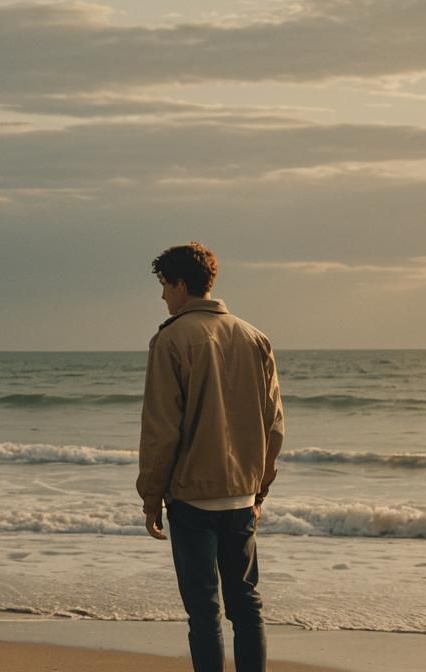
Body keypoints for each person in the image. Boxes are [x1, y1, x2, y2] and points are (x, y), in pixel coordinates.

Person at [137, 241, 285, 672]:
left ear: (181, 284)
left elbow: (162, 430)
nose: (163, 296)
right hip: (241, 496)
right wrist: (260, 490)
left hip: (192, 498)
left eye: (165, 285)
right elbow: (273, 426)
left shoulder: (170, 340)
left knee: (203, 611)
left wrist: (150, 497)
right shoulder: (255, 337)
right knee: (247, 606)